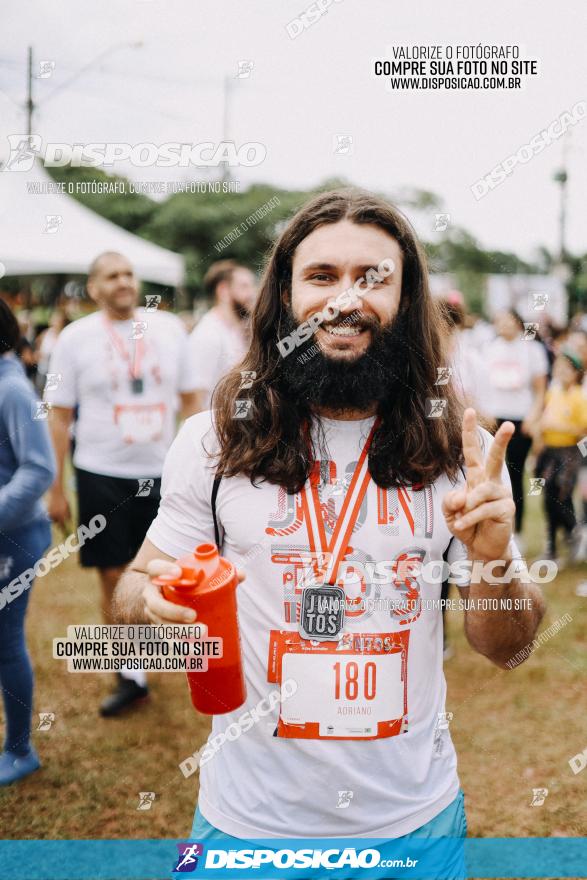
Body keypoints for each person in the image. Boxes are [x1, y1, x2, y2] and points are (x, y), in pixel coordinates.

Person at [113, 190, 545, 869]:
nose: (346, 299)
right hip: (245, 826)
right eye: (321, 277)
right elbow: (128, 601)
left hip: (412, 827)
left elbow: (506, 649)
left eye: (373, 279)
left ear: (406, 300)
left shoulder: (455, 447)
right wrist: (153, 604)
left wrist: (491, 561)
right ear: (283, 296)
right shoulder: (215, 437)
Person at [44, 252, 198, 717]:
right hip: (100, 472)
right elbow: (59, 414)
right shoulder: (74, 339)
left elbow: (191, 400)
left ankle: (157, 651)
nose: (124, 282)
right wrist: (55, 487)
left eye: (129, 274)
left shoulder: (169, 331)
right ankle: (131, 675)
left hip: (162, 473)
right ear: (93, 288)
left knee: (163, 571)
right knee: (113, 572)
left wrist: (196, 465)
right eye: (112, 276)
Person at [0, 300, 56, 785]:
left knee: (5, 642)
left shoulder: (13, 388)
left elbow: (39, 468)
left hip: (13, 539)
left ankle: (20, 750)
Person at [481, 309, 548, 545]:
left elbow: (540, 389)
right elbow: (482, 385)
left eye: (509, 320)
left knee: (516, 475)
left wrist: (534, 415)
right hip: (493, 418)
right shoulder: (489, 349)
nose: (504, 325)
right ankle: (490, 527)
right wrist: (484, 412)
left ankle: (516, 531)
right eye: (500, 320)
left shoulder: (532, 350)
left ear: (519, 323)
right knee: (491, 474)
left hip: (521, 418)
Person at [535, 350, 587, 561]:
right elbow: (542, 419)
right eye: (559, 368)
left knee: (562, 494)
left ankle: (575, 531)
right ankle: (553, 547)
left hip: (569, 453)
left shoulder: (578, 397)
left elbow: (583, 429)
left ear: (576, 373)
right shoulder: (552, 394)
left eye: (568, 369)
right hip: (549, 451)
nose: (562, 372)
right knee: (548, 496)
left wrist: (561, 426)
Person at [188, 260, 257, 411]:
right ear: (223, 290)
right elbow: (195, 399)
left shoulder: (239, 330)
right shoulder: (207, 335)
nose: (252, 293)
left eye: (252, 285)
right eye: (245, 286)